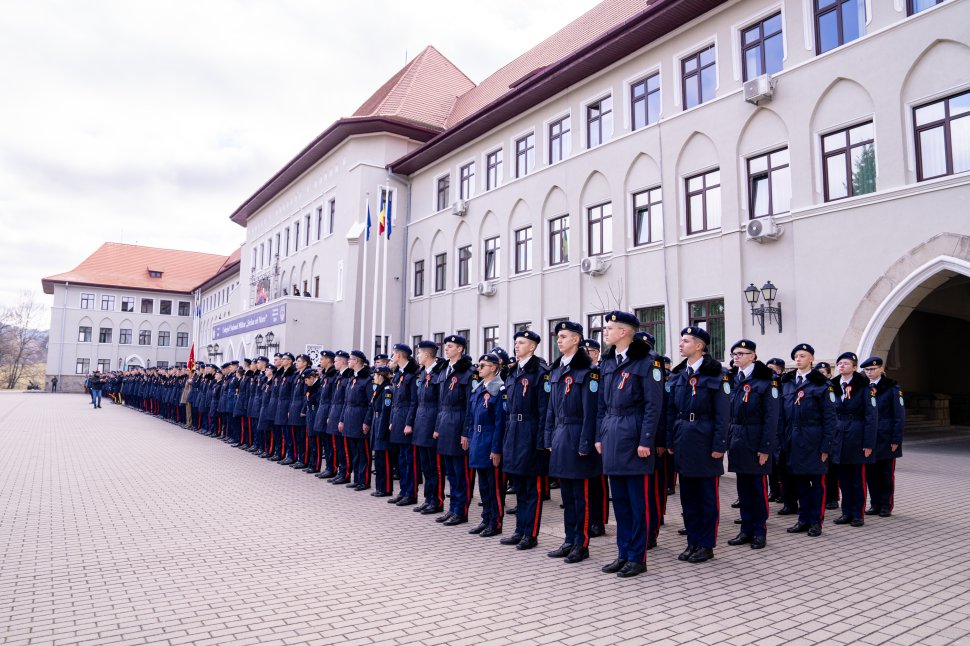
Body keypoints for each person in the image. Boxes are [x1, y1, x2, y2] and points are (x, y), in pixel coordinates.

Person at [596, 311, 663, 578]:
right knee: (621, 503)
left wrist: (646, 440)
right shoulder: (609, 362)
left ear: (624, 332)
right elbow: (602, 403)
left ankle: (637, 557)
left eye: (610, 328)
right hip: (613, 436)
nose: (606, 332)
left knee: (638, 504)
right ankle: (622, 553)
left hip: (635, 438)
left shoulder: (648, 363)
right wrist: (600, 436)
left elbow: (653, 406)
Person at [667, 326, 730, 564]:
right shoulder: (679, 374)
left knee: (706, 497)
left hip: (705, 441)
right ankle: (692, 540)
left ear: (700, 346)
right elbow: (672, 411)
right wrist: (670, 440)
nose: (681, 344)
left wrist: (719, 445)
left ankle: (706, 544)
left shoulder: (717, 375)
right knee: (688, 497)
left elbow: (723, 415)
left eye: (686, 341)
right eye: (681, 340)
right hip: (684, 439)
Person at [544, 321, 599, 564]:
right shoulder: (556, 370)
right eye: (558, 336)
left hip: (578, 435)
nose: (559, 340)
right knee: (567, 494)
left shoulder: (587, 372)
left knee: (581, 496)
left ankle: (581, 543)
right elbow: (550, 410)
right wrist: (548, 437)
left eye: (564, 336)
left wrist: (585, 443)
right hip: (561, 435)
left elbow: (591, 412)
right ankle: (569, 539)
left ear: (576, 340)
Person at [725, 339, 779, 550]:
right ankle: (746, 529)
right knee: (743, 488)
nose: (736, 357)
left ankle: (759, 531)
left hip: (756, 440)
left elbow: (771, 418)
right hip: (737, 439)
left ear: (753, 356)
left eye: (741, 353)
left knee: (757, 489)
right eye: (734, 354)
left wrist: (765, 447)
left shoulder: (766, 381)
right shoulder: (733, 379)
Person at [780, 343, 837, 538]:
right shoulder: (787, 382)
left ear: (811, 358)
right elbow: (781, 415)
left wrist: (826, 445)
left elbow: (830, 418)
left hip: (814, 441)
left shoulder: (822, 385)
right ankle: (803, 519)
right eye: (796, 356)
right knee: (800, 483)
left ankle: (816, 521)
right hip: (793, 441)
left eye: (802, 355)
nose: (798, 359)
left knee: (817, 484)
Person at [500, 329, 550, 551]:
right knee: (519, 486)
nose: (517, 346)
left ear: (532, 347)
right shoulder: (513, 372)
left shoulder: (540, 372)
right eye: (516, 342)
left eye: (522, 343)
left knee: (531, 488)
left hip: (530, 431)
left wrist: (540, 441)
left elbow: (544, 410)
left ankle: (531, 533)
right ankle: (520, 529)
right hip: (513, 430)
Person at [830, 352, 876, 527]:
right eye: (839, 363)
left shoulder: (865, 388)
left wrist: (868, 443)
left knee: (857, 479)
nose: (842, 366)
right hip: (839, 437)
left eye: (846, 363)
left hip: (857, 437)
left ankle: (858, 514)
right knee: (843, 479)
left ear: (855, 368)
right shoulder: (833, 386)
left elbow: (871, 417)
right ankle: (846, 512)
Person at [463, 353, 506, 537]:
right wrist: (468, 437)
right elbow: (471, 418)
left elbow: (500, 423)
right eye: (478, 365)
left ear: (494, 368)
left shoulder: (499, 389)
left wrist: (496, 449)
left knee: (494, 485)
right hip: (478, 441)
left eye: (483, 366)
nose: (478, 369)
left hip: (490, 441)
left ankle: (496, 522)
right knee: (483, 485)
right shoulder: (479, 388)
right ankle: (486, 518)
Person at [433, 335, 474, 526]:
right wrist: (437, 428)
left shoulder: (468, 373)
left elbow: (469, 406)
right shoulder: (444, 370)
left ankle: (461, 511)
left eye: (450, 346)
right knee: (450, 471)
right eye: (446, 346)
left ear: (460, 349)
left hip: (458, 423)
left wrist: (465, 432)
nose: (446, 349)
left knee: (460, 472)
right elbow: (441, 403)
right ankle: (452, 509)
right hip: (445, 423)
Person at [861, 356, 904, 517]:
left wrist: (895, 439)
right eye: (866, 370)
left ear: (880, 369)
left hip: (886, 438)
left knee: (885, 473)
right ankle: (875, 503)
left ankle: (886, 504)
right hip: (868, 438)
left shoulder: (892, 388)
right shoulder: (863, 387)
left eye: (872, 369)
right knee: (871, 473)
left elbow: (899, 416)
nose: (869, 373)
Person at [412, 341, 447, 514]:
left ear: (426, 354)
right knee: (425, 465)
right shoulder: (421, 373)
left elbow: (441, 403)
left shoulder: (439, 373)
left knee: (435, 467)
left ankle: (437, 500)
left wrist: (437, 427)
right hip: (421, 422)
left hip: (432, 421)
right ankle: (428, 498)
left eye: (419, 353)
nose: (417, 356)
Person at [582, 338, 609, 537]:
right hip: (581, 431)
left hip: (597, 433)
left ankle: (599, 521)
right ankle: (587, 519)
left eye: (589, 350)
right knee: (585, 481)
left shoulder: (599, 373)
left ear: (597, 353)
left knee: (598, 482)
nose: (586, 353)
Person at [388, 344, 421, 507]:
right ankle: (403, 491)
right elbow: (396, 401)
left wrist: (409, 423)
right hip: (398, 419)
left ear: (400, 355)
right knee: (401, 459)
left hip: (406, 421)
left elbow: (414, 402)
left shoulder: (412, 375)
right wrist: (392, 421)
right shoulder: (398, 374)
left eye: (394, 354)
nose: (392, 356)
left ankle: (411, 493)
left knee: (409, 459)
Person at [339, 350, 373, 491]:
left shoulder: (367, 380)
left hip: (360, 417)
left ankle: (364, 481)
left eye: (351, 360)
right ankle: (357, 479)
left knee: (362, 452)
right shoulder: (352, 378)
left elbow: (371, 403)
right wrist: (341, 420)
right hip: (349, 417)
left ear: (357, 361)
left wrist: (367, 421)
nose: (349, 362)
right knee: (354, 451)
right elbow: (346, 401)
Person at [325, 351, 354, 484]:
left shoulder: (348, 376)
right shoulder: (339, 376)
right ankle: (339, 471)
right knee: (336, 446)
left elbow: (345, 400)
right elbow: (334, 399)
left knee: (343, 447)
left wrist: (341, 418)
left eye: (336, 361)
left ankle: (345, 473)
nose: (334, 363)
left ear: (342, 362)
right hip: (335, 412)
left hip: (342, 413)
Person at [370, 365, 395, 497]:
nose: (374, 377)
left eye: (375, 375)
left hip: (382, 424)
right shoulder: (379, 389)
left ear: (381, 376)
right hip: (377, 422)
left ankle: (386, 488)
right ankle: (380, 487)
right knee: (379, 460)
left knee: (384, 460)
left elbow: (386, 412)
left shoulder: (387, 390)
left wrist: (382, 431)